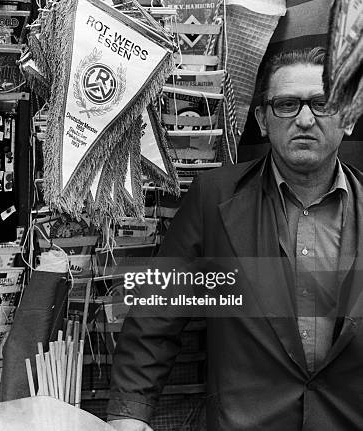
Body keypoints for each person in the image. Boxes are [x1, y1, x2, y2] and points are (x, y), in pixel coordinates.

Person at [107, 47, 363, 430]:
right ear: (262, 119)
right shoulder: (214, 199)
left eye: (323, 104)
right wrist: (128, 414)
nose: (306, 119)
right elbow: (154, 316)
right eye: (287, 104)